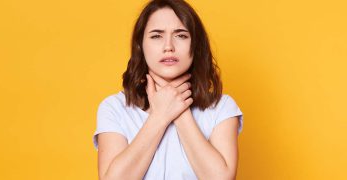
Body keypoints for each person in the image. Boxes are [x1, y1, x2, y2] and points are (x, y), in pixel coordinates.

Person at [92, 0, 244, 179]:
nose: (168, 47)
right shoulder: (114, 108)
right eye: (156, 36)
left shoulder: (222, 107)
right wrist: (160, 116)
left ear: (195, 45)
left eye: (181, 35)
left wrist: (179, 110)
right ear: (141, 46)